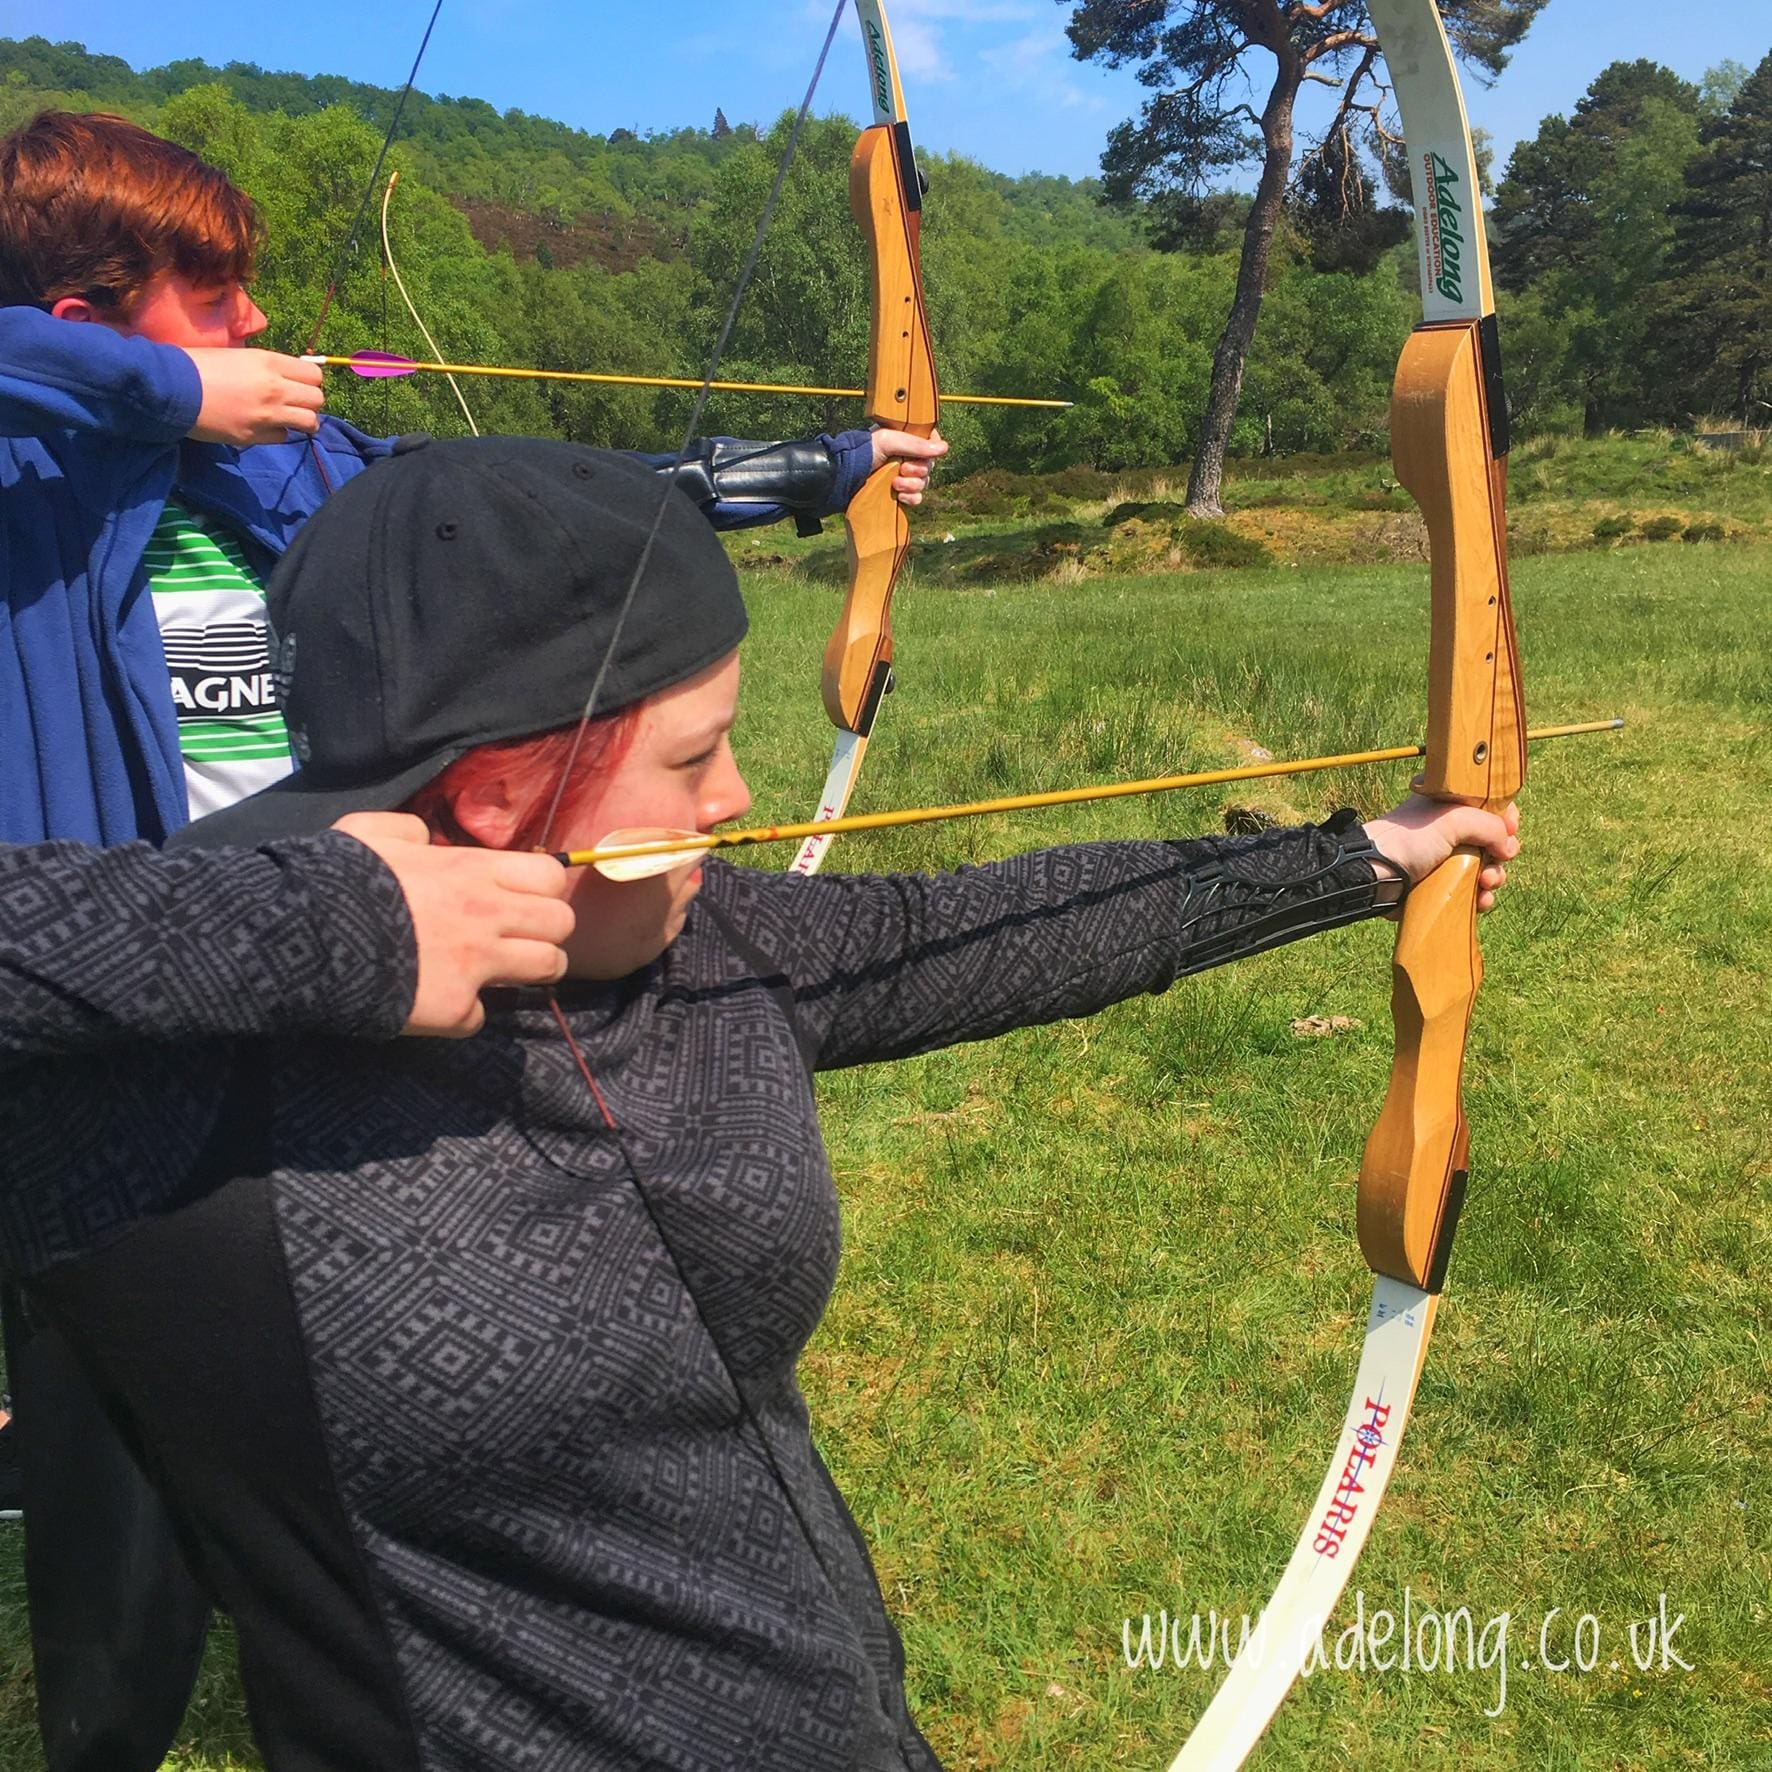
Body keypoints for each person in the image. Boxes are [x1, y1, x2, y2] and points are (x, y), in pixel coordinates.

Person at [0, 437, 1518, 1771]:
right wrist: (321, 929)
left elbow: (979, 931)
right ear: (496, 799)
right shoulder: (160, 1113)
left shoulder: (713, 948)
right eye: (690, 754)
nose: (734, 800)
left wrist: (1361, 858)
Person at [0, 105, 945, 1772]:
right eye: (208, 299)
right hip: (121, 1013)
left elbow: (538, 537)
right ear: (79, 330)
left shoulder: (287, 466)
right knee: (110, 1478)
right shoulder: (26, 495)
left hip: (367, 976)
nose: (252, 330)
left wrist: (828, 466)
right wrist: (158, 398)